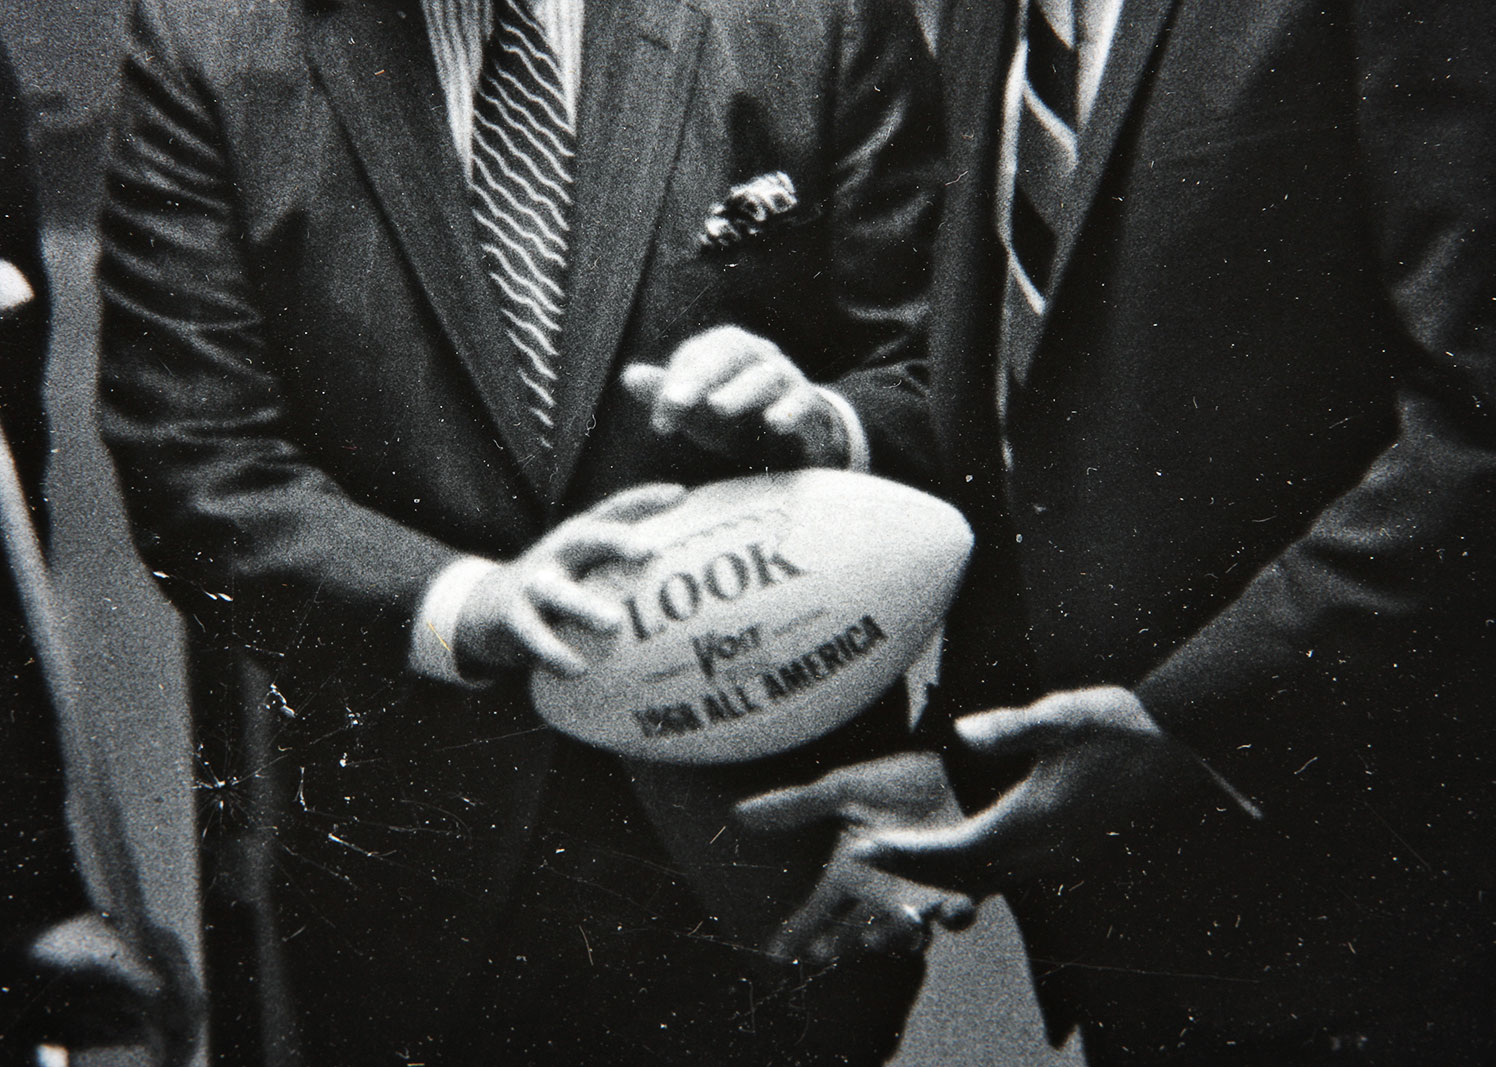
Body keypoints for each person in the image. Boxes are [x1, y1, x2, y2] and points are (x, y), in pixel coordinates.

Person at [97, 0, 946, 1060]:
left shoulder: (816, 19)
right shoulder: (207, 43)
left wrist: (822, 422)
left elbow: (943, 382)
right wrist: (466, 605)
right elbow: (195, 466)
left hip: (767, 867)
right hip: (408, 889)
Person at [739, 1, 1496, 1063]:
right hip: (1143, 940)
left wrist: (1189, 718)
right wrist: (975, 760)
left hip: (1384, 921)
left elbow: (1472, 426)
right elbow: (1034, 406)